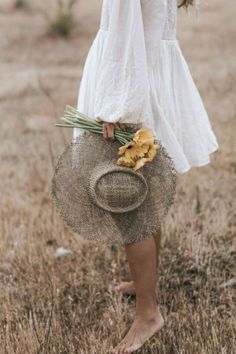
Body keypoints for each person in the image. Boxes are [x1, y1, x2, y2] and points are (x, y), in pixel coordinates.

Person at [73, 0, 219, 353]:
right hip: (148, 71)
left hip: (130, 78)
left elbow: (126, 34)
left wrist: (116, 107)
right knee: (145, 191)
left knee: (126, 200)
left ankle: (148, 314)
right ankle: (145, 285)